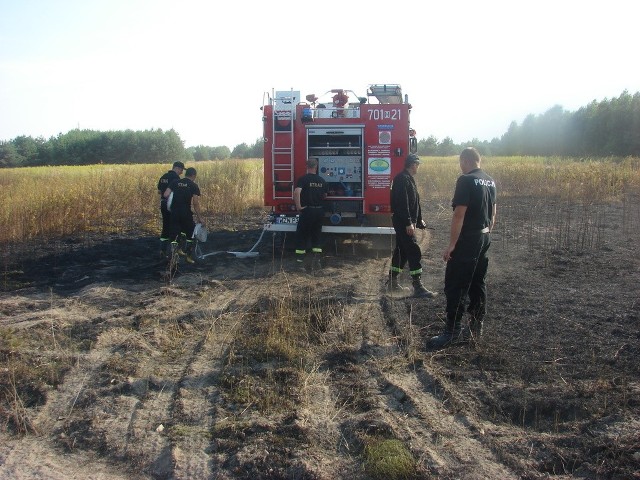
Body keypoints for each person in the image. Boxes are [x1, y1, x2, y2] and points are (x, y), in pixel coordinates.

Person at [427, 147, 497, 349]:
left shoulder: (465, 180)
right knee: (477, 282)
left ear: (465, 161)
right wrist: (486, 231)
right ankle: (476, 328)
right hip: (484, 237)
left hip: (468, 239)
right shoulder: (490, 181)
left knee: (456, 283)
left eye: (461, 163)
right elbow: (493, 212)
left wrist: (452, 245)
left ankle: (452, 331)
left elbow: (459, 214)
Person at [388, 153, 437, 297]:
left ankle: (392, 283)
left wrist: (419, 219)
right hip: (403, 222)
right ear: (413, 164)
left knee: (401, 251)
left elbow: (414, 201)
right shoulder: (402, 179)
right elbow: (403, 204)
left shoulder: (408, 179)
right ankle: (418, 286)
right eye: (418, 164)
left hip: (405, 221)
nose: (418, 167)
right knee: (414, 250)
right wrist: (409, 222)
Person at [164, 167, 203, 265]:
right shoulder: (193, 185)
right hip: (185, 213)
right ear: (193, 176)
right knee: (191, 234)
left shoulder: (175, 183)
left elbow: (165, 194)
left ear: (185, 174)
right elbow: (195, 203)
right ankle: (188, 257)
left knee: (174, 235)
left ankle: (172, 258)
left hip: (174, 212)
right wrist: (199, 217)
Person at [293, 157, 328, 270]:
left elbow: (297, 192)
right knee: (317, 236)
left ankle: (299, 263)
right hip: (319, 211)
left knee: (302, 236)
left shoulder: (303, 179)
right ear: (316, 167)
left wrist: (299, 206)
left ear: (307, 167)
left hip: (308, 211)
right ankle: (316, 261)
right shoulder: (322, 180)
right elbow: (325, 196)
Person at [157, 161, 184, 257]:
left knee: (165, 226)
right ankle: (174, 251)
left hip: (163, 203)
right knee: (175, 227)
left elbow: (159, 191)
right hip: (172, 205)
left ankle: (162, 250)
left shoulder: (163, 176)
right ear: (177, 168)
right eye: (181, 170)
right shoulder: (176, 178)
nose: (181, 172)